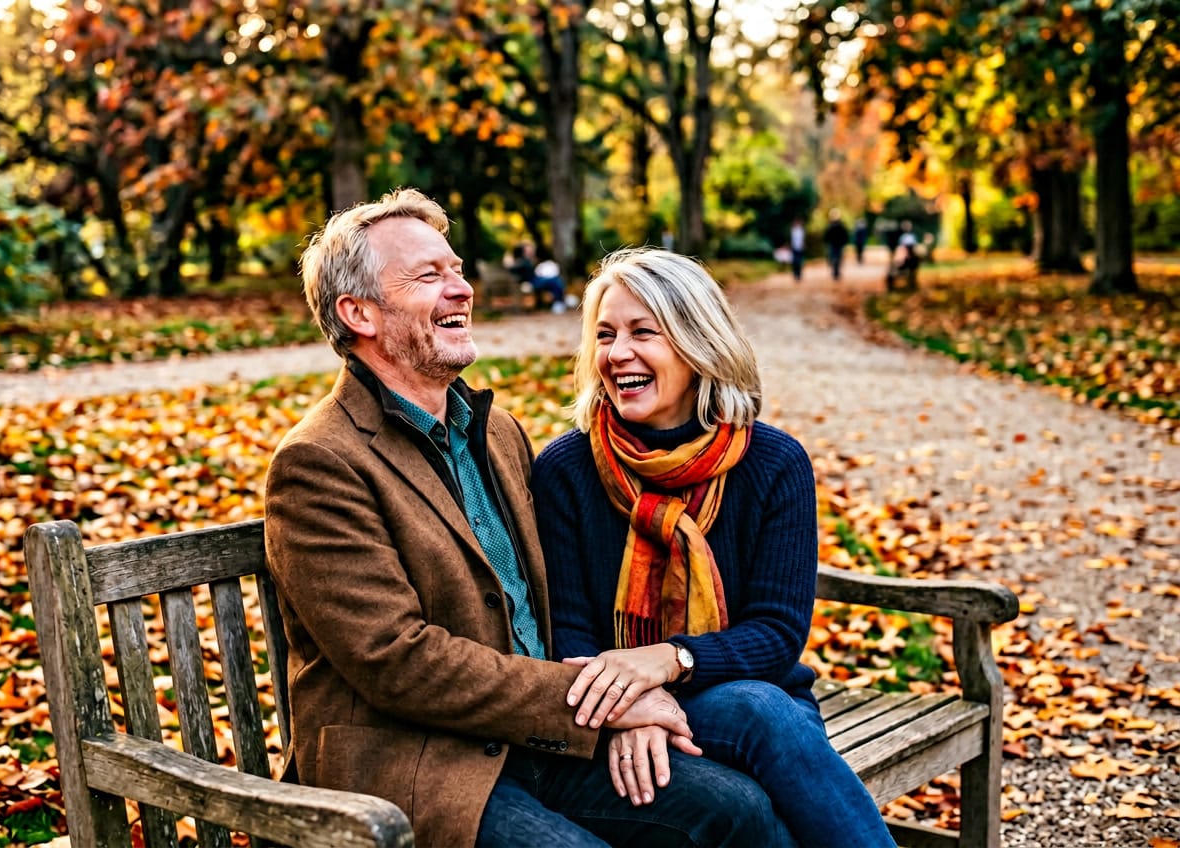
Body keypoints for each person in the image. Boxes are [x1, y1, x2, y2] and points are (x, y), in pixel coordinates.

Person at [265, 189, 797, 848]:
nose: (461, 290)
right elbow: (397, 661)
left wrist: (621, 697)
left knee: (735, 808)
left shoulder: (497, 433)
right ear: (359, 314)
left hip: (531, 736)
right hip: (416, 763)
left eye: (457, 270)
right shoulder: (320, 462)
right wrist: (603, 703)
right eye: (430, 276)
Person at [531, 247, 898, 848]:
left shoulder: (774, 463)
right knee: (752, 806)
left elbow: (778, 632)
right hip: (601, 708)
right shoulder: (567, 469)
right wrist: (632, 705)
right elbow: (565, 631)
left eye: (642, 332)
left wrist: (668, 661)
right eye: (604, 335)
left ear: (697, 342)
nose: (617, 353)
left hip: (745, 703)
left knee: (761, 710)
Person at [508, 240, 567, 312]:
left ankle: (559, 301)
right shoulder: (521, 261)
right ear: (522, 251)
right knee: (554, 280)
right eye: (528, 250)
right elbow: (513, 269)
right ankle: (559, 302)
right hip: (530, 282)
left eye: (531, 250)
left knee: (555, 281)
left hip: (535, 280)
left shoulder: (528, 260)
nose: (531, 251)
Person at [823, 209, 850, 282]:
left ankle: (836, 272)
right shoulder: (838, 225)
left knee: (835, 258)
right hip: (836, 244)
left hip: (836, 244)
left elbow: (826, 236)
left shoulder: (831, 225)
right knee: (836, 258)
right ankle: (836, 272)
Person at [788, 217, 806, 282]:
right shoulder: (793, 230)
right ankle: (795, 274)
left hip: (800, 248)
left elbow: (803, 239)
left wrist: (803, 245)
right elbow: (791, 239)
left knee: (800, 262)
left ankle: (799, 275)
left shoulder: (801, 230)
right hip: (794, 248)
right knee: (794, 262)